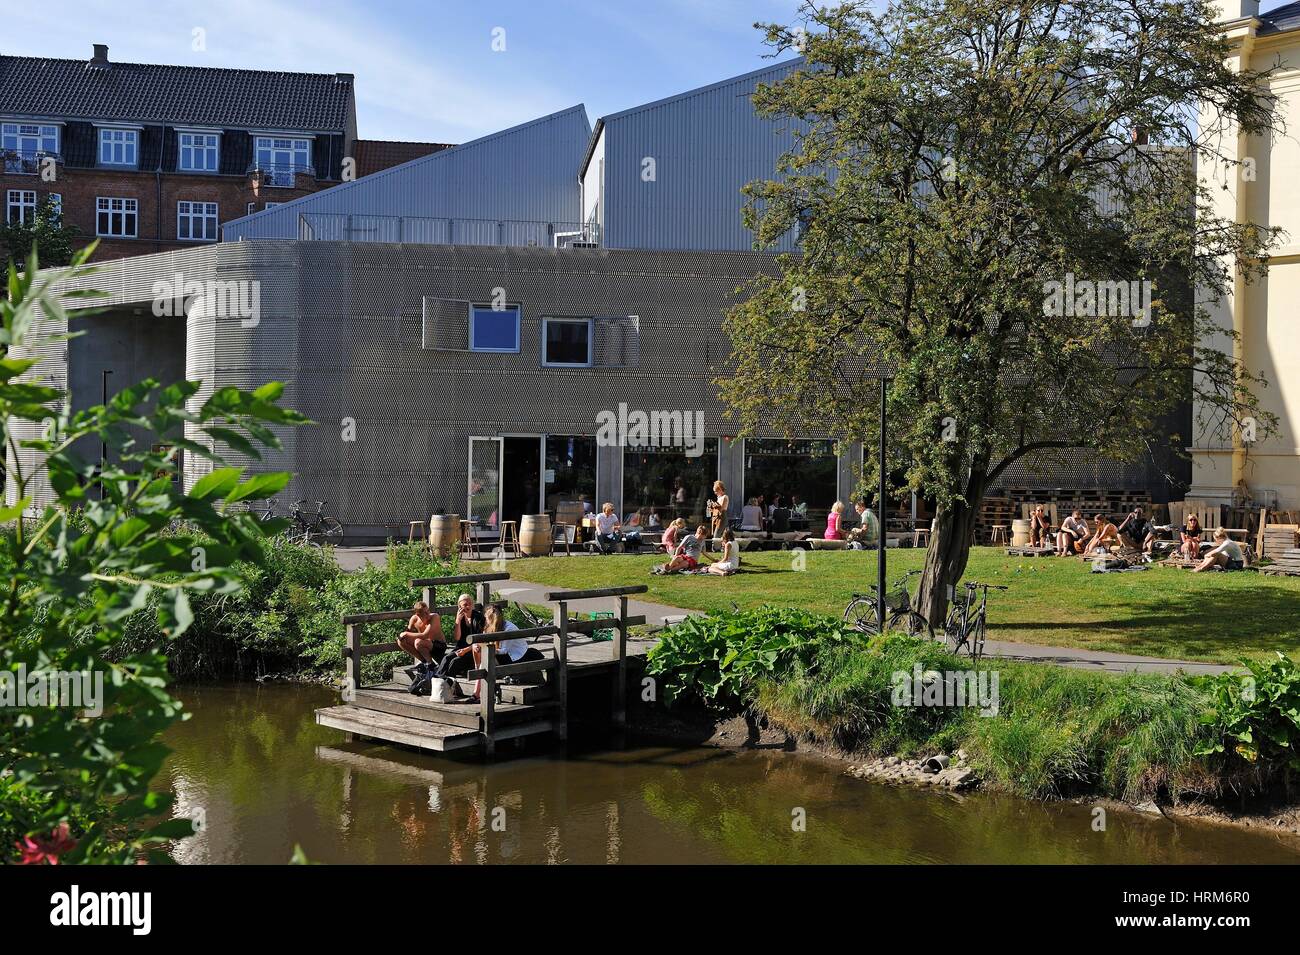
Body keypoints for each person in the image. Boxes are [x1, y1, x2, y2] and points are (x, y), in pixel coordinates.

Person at [469, 605, 546, 702]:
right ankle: (478, 676)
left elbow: (504, 650)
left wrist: (485, 648)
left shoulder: (509, 629)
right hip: (502, 655)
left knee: (486, 658)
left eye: (487, 619)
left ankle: (477, 693)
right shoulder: (488, 627)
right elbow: (485, 641)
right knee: (476, 648)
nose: (486, 621)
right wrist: (478, 645)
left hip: (515, 657)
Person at [434, 593, 486, 694]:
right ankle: (438, 682)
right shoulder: (460, 618)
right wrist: (457, 620)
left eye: (470, 604)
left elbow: (480, 641)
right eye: (465, 605)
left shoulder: (479, 618)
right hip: (461, 647)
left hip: (474, 650)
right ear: (460, 606)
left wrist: (465, 650)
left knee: (454, 662)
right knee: (446, 658)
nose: (468, 606)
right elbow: (457, 637)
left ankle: (447, 687)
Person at [396, 601, 444, 674]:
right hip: (424, 644)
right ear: (418, 615)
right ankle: (424, 661)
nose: (428, 614)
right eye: (425, 613)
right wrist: (402, 635)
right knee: (401, 641)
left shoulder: (435, 617)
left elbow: (425, 635)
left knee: (418, 642)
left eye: (428, 611)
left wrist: (406, 633)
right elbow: (408, 632)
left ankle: (430, 665)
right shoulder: (414, 619)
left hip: (439, 645)